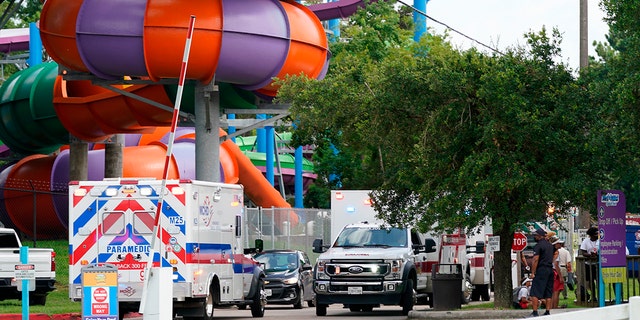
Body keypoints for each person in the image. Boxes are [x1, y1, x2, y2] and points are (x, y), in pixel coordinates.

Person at [528, 228, 554, 317]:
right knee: (548, 291)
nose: (534, 237)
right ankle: (547, 311)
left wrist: (533, 272)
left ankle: (535, 312)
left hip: (541, 269)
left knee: (535, 291)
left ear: (540, 236)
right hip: (550, 269)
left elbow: (535, 259)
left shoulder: (538, 246)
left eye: (535, 235)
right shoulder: (550, 246)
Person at [579, 226, 599, 302]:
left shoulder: (600, 241)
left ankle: (600, 296)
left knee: (598, 280)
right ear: (591, 235)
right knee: (590, 281)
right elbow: (583, 252)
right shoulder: (586, 241)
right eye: (595, 234)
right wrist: (590, 255)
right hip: (589, 264)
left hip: (597, 263)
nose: (596, 236)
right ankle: (593, 296)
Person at [551, 238, 565, 308]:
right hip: (555, 272)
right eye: (559, 243)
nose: (560, 245)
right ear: (556, 244)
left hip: (550, 271)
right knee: (556, 291)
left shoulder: (549, 251)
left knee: (552, 291)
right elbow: (556, 264)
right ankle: (555, 306)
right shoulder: (556, 252)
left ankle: (552, 306)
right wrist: (560, 276)